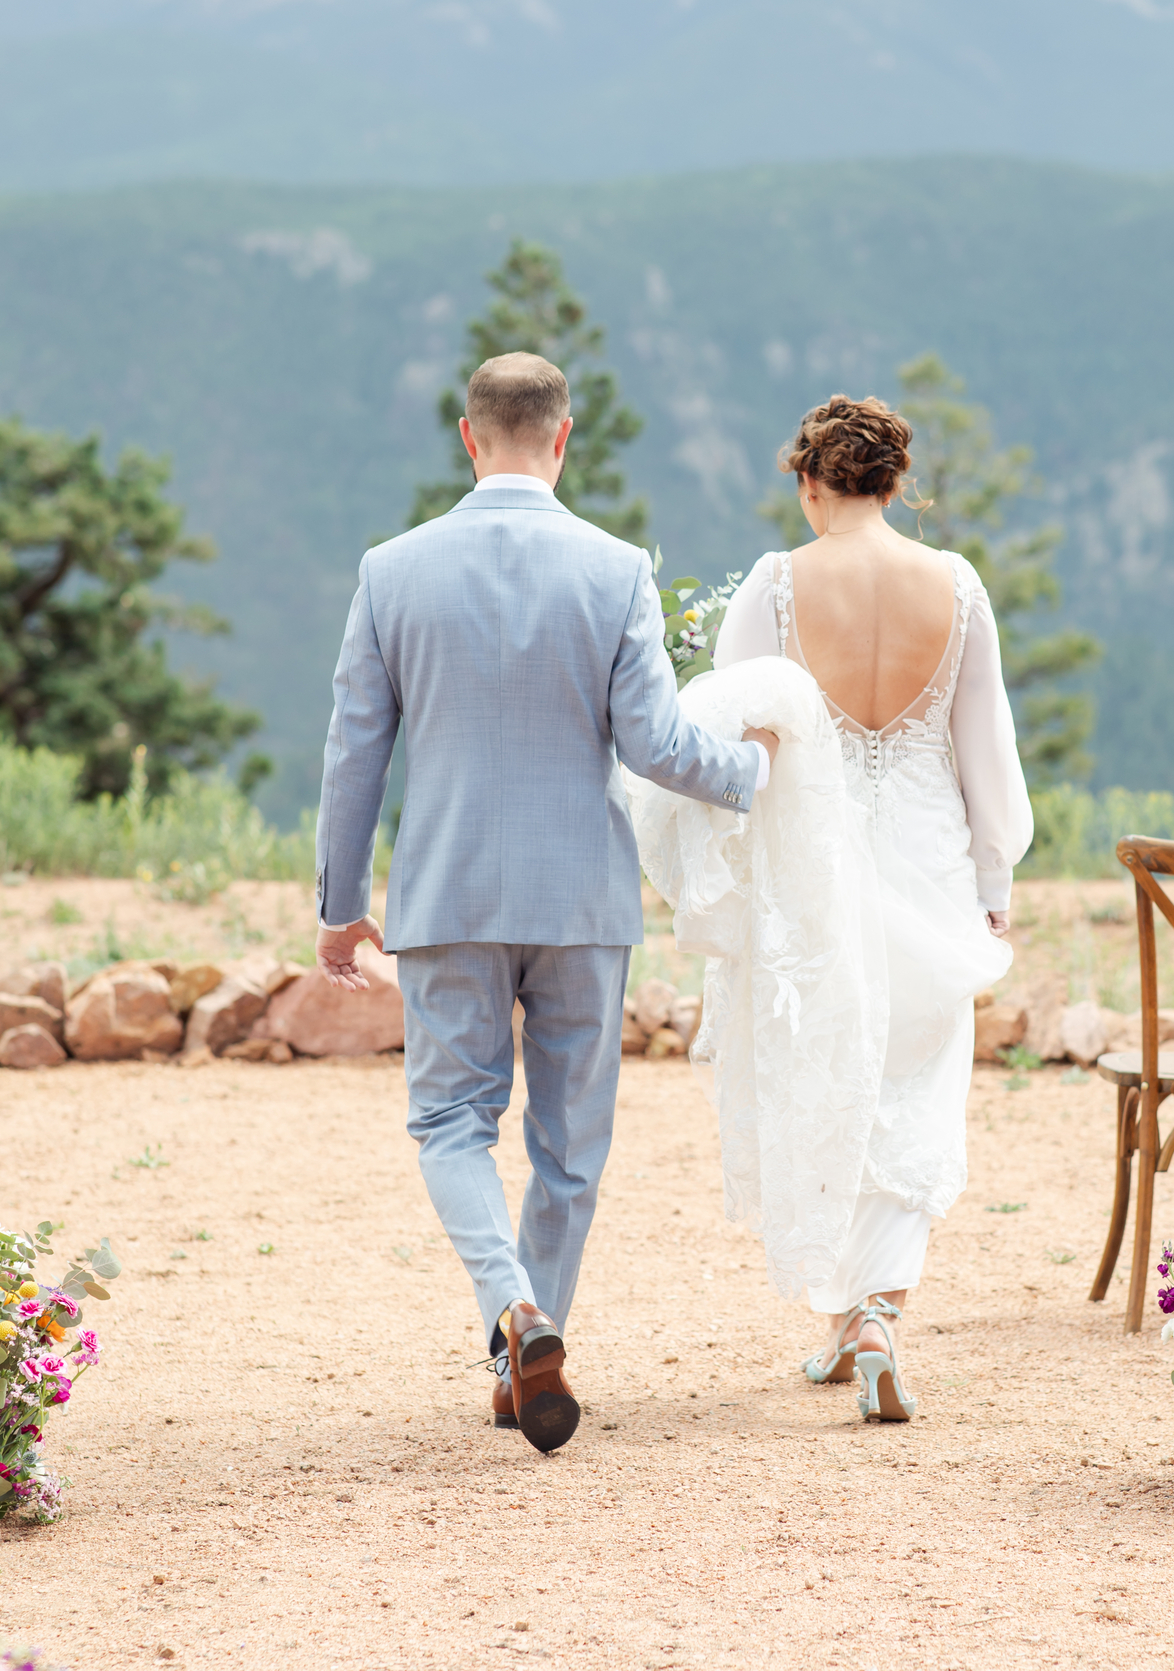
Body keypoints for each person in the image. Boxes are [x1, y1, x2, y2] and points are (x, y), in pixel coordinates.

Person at [313, 350, 777, 1453]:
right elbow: (658, 744)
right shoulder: (615, 568)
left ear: (469, 438)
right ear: (561, 437)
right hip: (581, 900)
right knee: (571, 1148)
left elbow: (353, 754)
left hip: (447, 893)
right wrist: (755, 771)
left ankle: (511, 1315)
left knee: (447, 1121)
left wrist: (342, 900)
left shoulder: (391, 568)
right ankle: (533, 1336)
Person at [630, 393, 1031, 1422]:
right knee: (910, 1077)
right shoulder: (957, 585)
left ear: (810, 481)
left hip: (818, 871)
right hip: (929, 863)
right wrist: (994, 883)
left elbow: (729, 745)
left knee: (825, 1071)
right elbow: (985, 750)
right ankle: (877, 1315)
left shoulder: (773, 586)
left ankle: (846, 1318)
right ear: (896, 484)